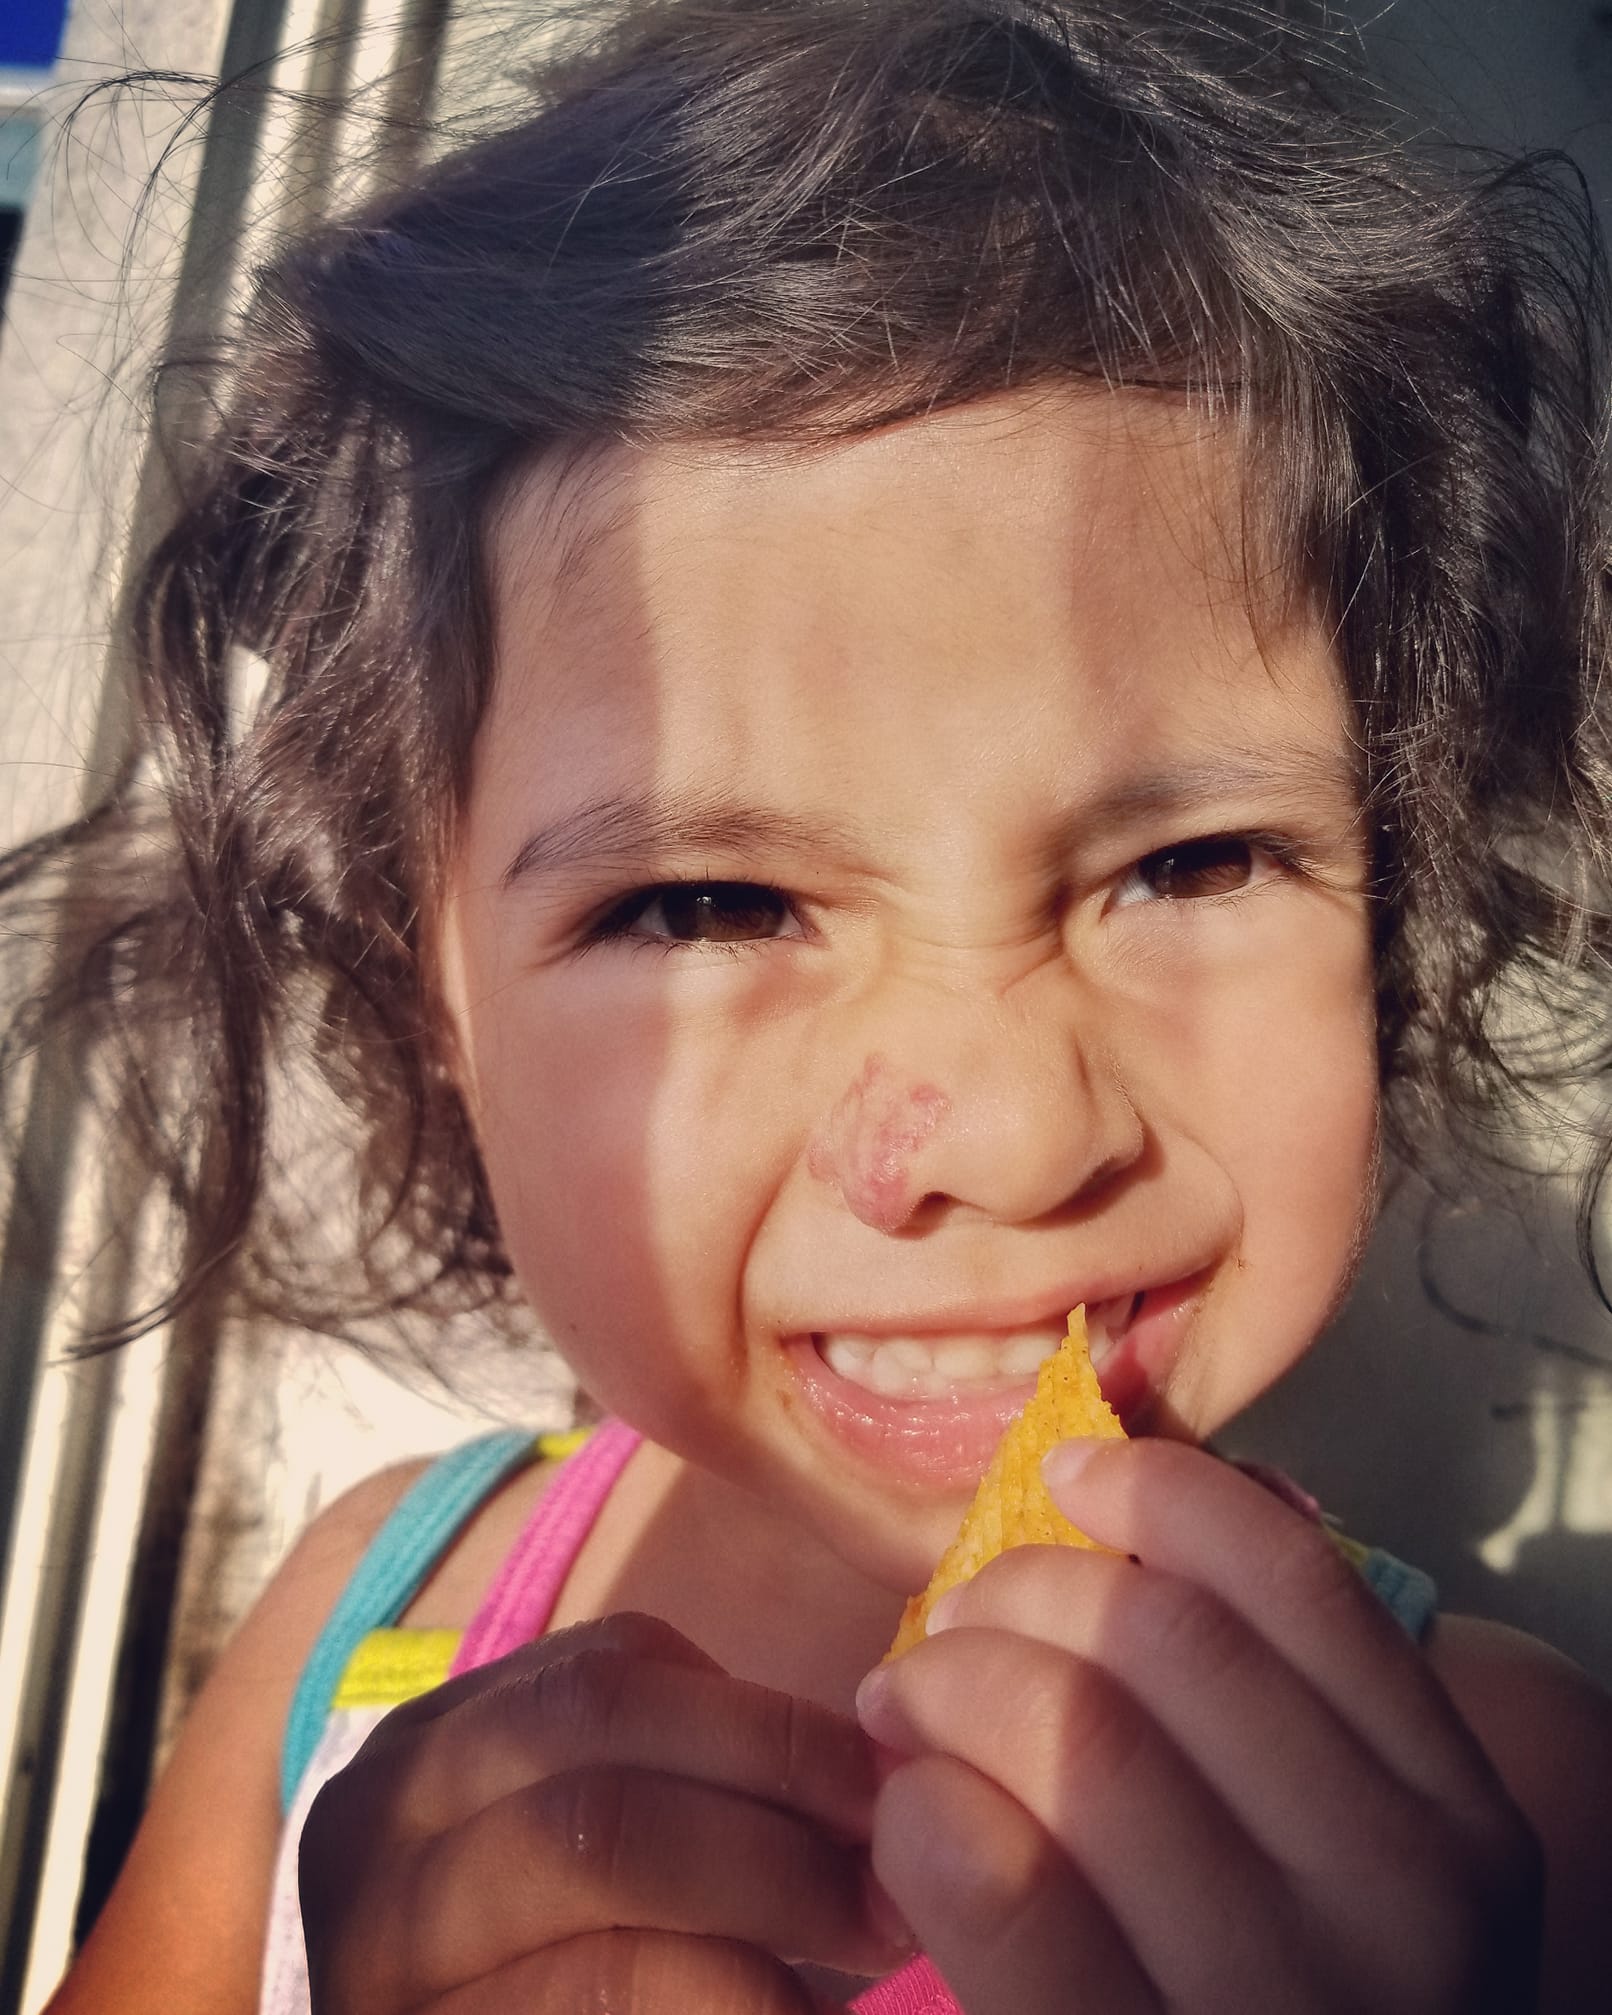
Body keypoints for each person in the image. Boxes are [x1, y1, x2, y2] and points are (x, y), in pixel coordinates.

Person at [20, 0, 1612, 2008]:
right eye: (709, 901)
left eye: (1187, 864)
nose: (1019, 1131)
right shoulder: (360, 1623)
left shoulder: (1513, 1817)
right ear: (442, 994)